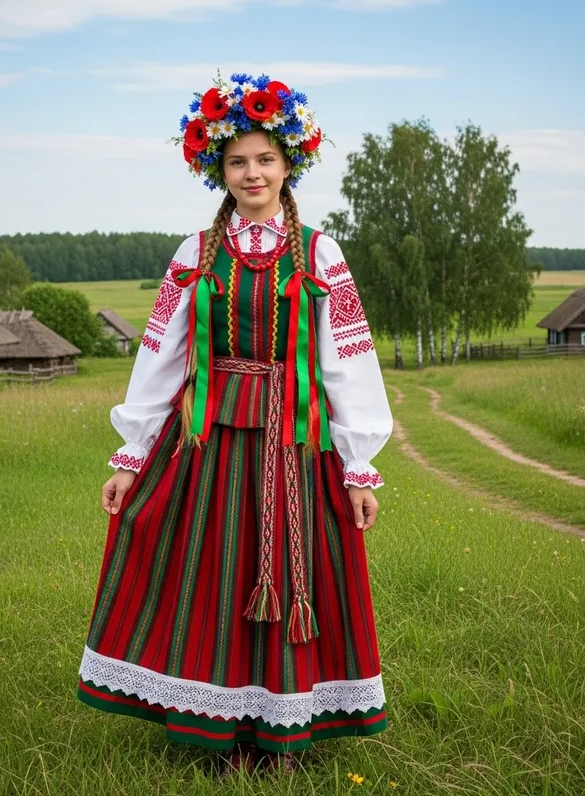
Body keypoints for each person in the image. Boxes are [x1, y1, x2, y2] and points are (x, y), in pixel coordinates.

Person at [76, 72, 393, 776]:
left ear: (289, 166)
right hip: (208, 446)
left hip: (295, 450)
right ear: (217, 170)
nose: (252, 173)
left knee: (283, 579)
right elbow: (162, 354)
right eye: (237, 161)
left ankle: (281, 736)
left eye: (265, 160)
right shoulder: (195, 255)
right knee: (211, 575)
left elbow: (347, 361)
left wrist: (359, 465)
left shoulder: (320, 254)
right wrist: (130, 456)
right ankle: (214, 734)